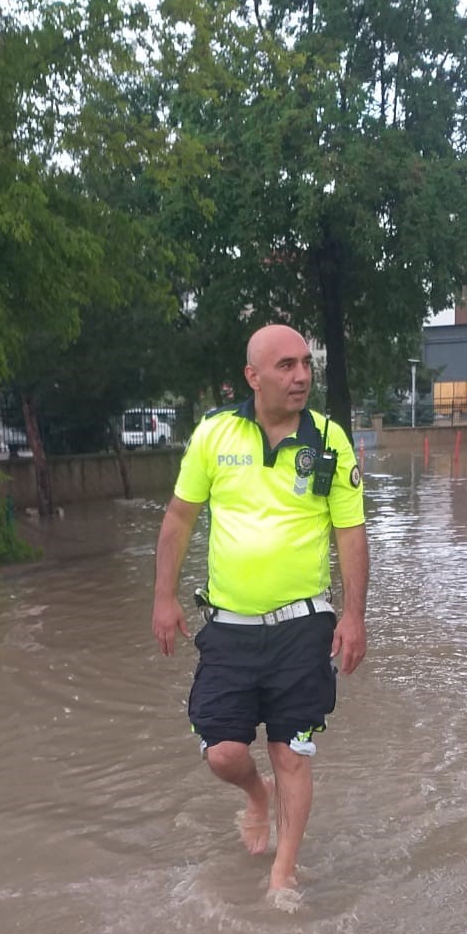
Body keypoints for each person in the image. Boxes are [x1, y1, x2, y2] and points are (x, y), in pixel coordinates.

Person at [152, 325, 368, 900]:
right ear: (253, 376)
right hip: (228, 625)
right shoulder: (213, 434)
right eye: (285, 366)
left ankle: (284, 871)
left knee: (291, 751)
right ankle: (256, 794)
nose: (301, 376)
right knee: (222, 751)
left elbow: (350, 533)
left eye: (305, 364)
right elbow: (178, 518)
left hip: (303, 624)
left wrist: (353, 615)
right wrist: (164, 597)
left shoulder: (329, 442)